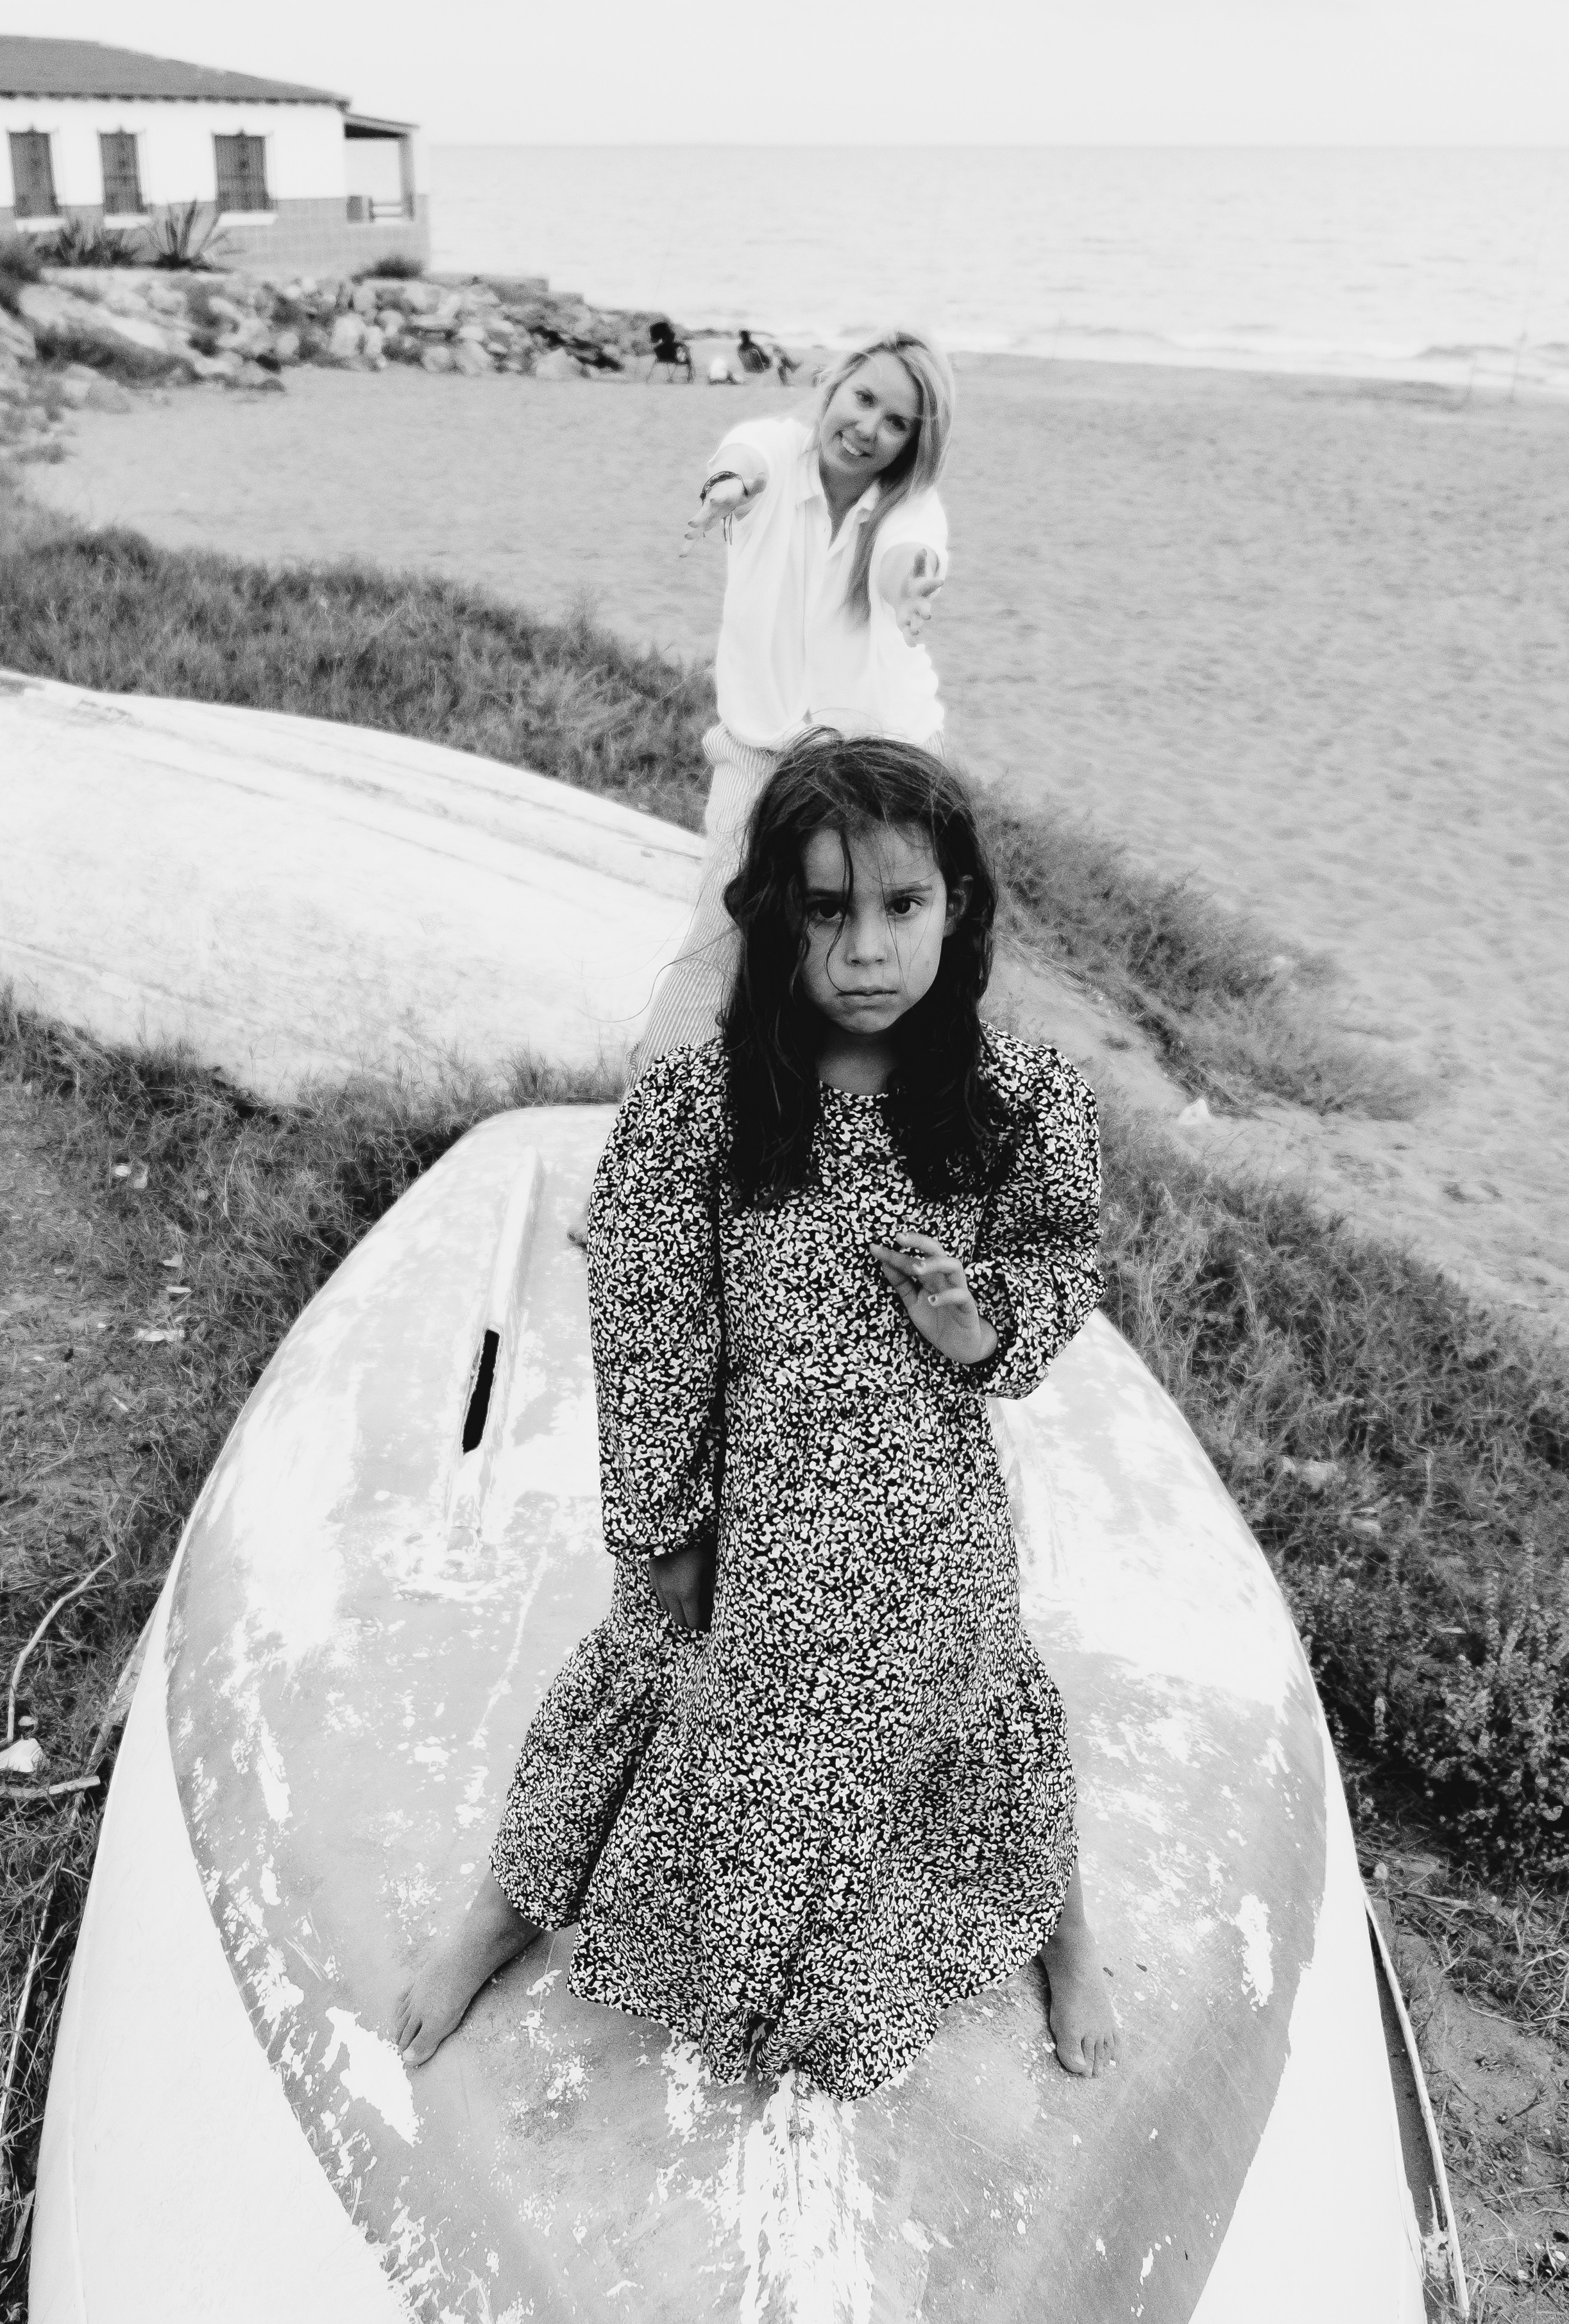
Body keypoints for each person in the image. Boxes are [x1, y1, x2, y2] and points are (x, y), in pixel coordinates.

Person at [393, 733, 1121, 2098]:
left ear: (953, 908)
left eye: (900, 908)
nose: (863, 950)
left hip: (924, 1511)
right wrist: (663, 1524)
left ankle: (1059, 1926)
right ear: (769, 919)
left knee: (973, 1703)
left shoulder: (1015, 1102)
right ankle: (504, 1909)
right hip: (750, 1505)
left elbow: (1058, 1259)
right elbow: (649, 1315)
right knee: (653, 1690)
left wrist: (975, 1322)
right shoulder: (701, 1105)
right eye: (824, 910)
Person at [645, 328, 955, 1064]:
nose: (868, 429)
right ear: (837, 384)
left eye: (896, 423)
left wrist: (909, 587)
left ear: (914, 442)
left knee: (872, 947)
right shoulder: (778, 451)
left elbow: (904, 557)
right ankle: (651, 1099)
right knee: (722, 929)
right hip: (761, 747)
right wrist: (725, 488)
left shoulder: (913, 505)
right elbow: (742, 462)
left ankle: (861, 1102)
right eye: (864, 399)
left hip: (881, 756)